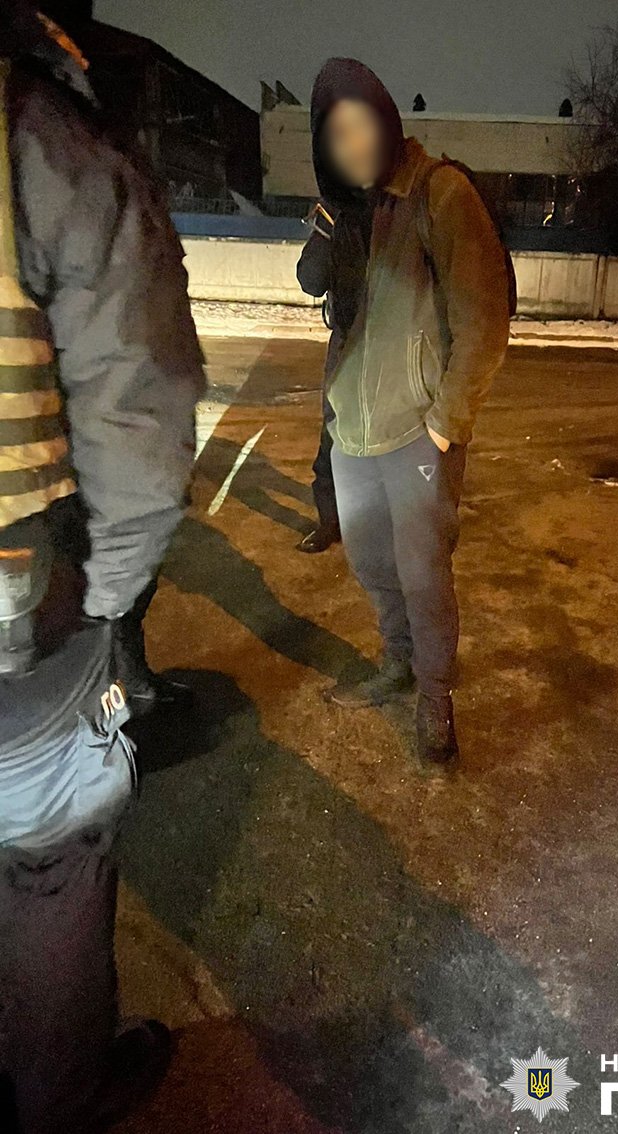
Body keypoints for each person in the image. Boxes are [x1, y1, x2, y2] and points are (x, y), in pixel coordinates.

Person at [0, 5, 205, 1131]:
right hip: (23, 614)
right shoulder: (37, 136)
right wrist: (112, 613)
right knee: (52, 866)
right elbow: (139, 398)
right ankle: (61, 1094)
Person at [309, 58, 510, 764]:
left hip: (417, 432)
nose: (353, 144)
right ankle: (397, 662)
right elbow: (328, 302)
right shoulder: (349, 212)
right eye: (336, 134)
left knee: (423, 574)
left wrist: (445, 424)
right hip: (354, 433)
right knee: (371, 563)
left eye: (360, 124)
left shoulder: (439, 192)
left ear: (386, 118)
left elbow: (485, 322)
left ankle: (435, 697)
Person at [295, 202, 342, 553]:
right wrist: (327, 229)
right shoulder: (340, 209)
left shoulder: (409, 205)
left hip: (401, 341)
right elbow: (311, 280)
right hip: (348, 341)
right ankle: (330, 522)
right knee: (334, 434)